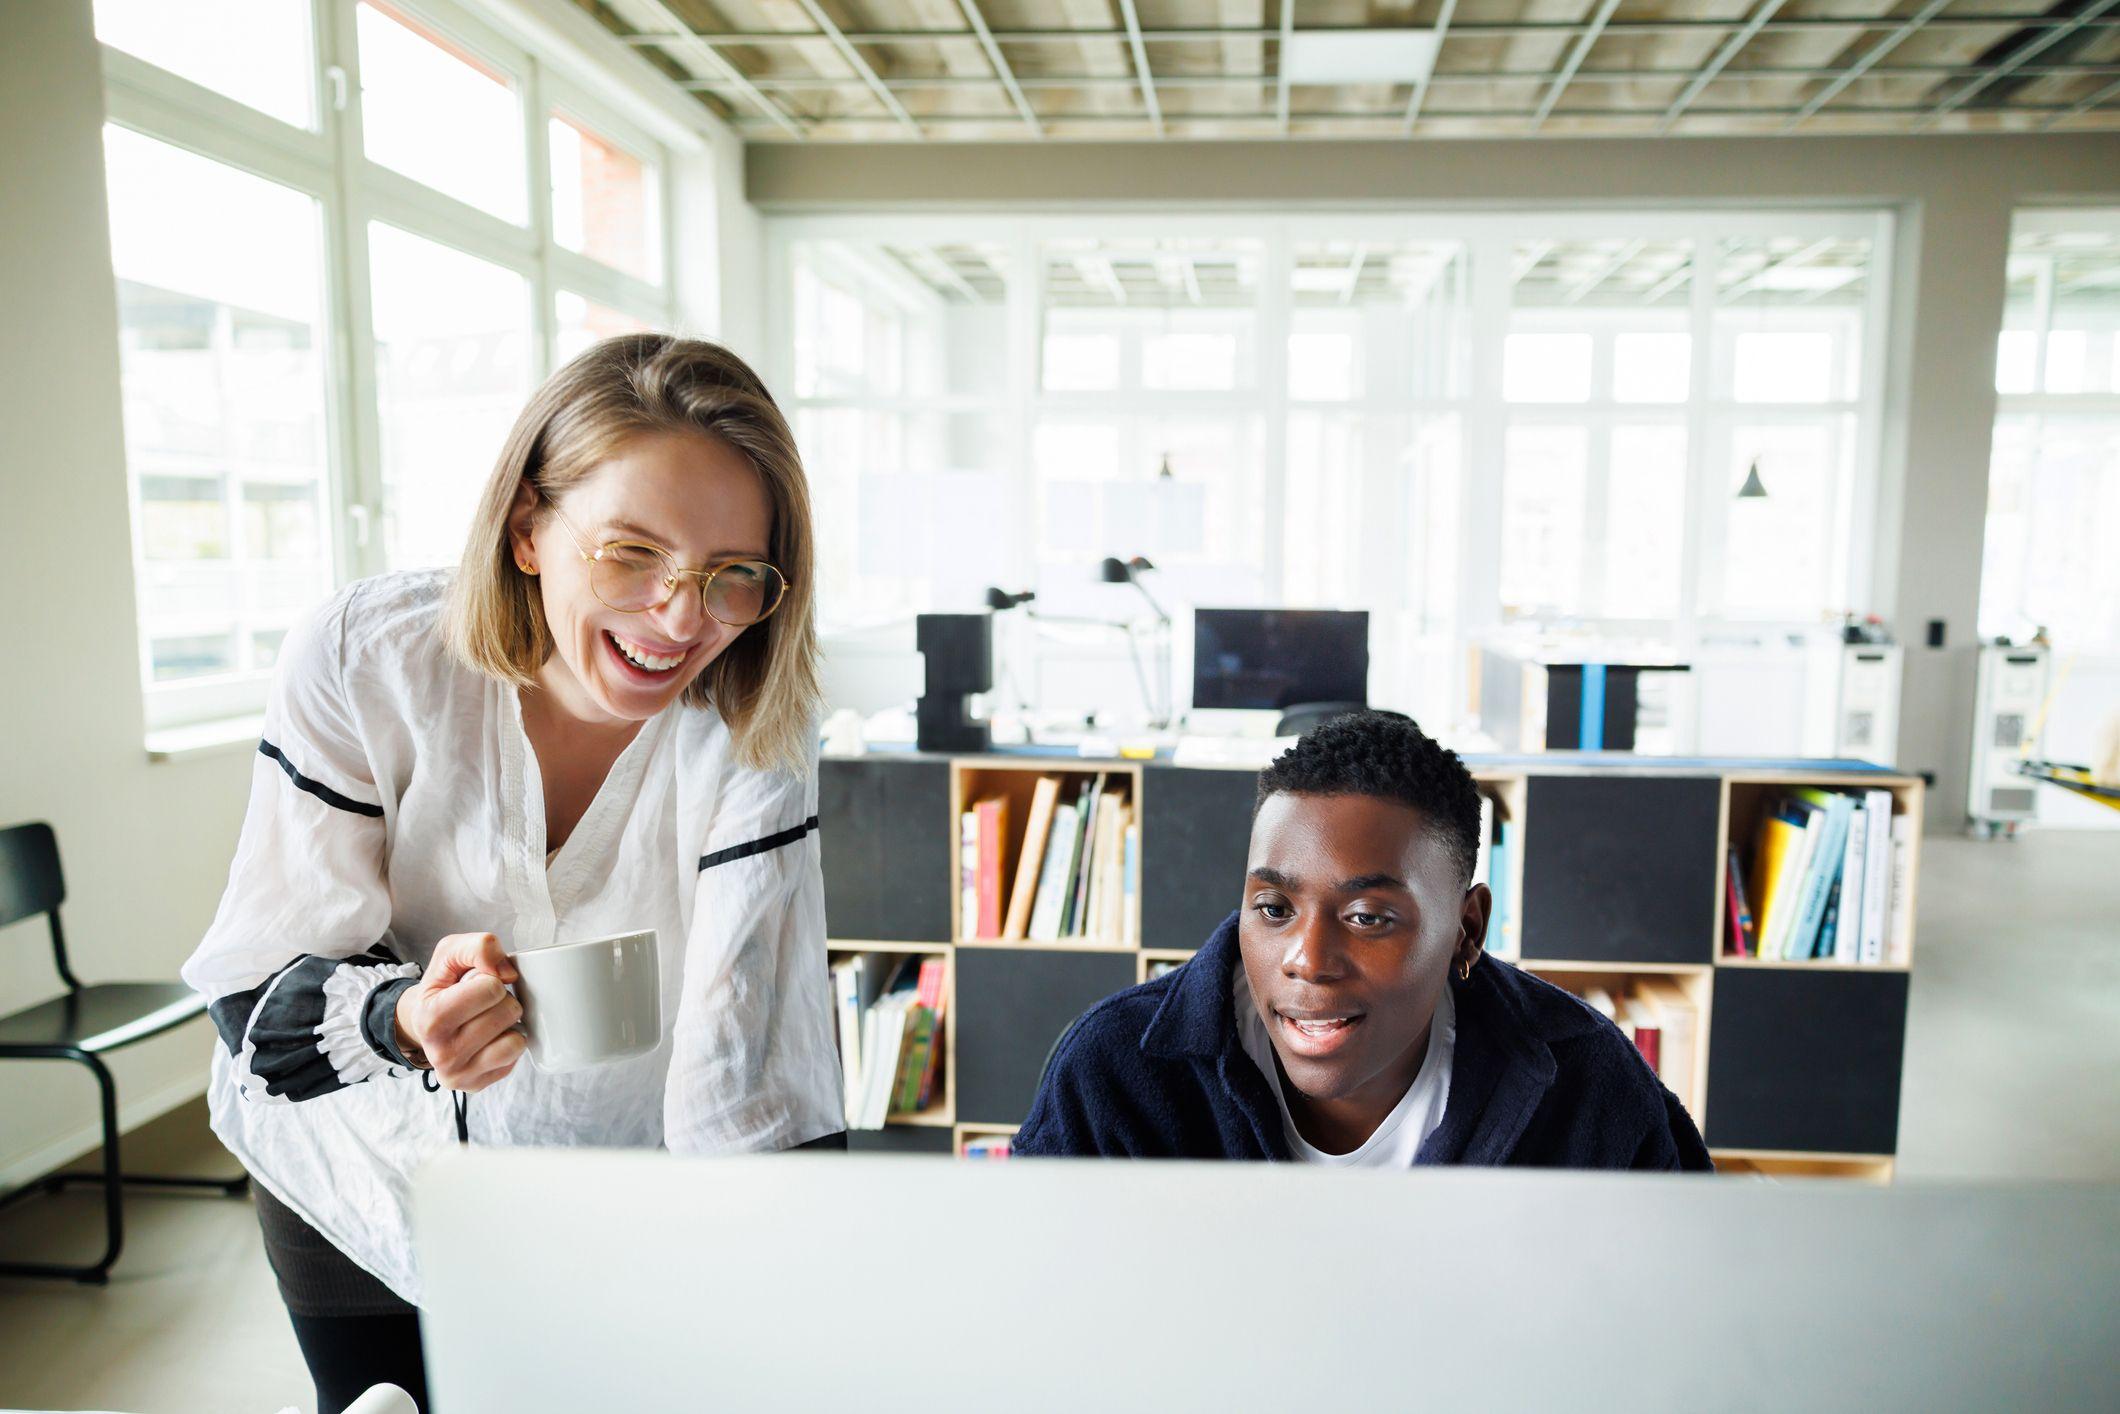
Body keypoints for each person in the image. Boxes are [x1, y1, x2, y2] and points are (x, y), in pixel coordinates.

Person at [182, 335, 845, 1412]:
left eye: (733, 577)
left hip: (606, 1183)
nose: (681, 619)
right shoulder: (369, 658)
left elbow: (743, 1059)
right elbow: (258, 987)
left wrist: (774, 1285)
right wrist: (401, 1015)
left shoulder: (753, 721)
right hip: (358, 1170)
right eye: (631, 552)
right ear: (530, 526)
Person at [1013, 710, 1712, 1169]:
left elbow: (1685, 1318)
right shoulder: (1112, 1074)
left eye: (1368, 917)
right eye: (1274, 907)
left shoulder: (1588, 1085)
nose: (1307, 961)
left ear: (1466, 930)